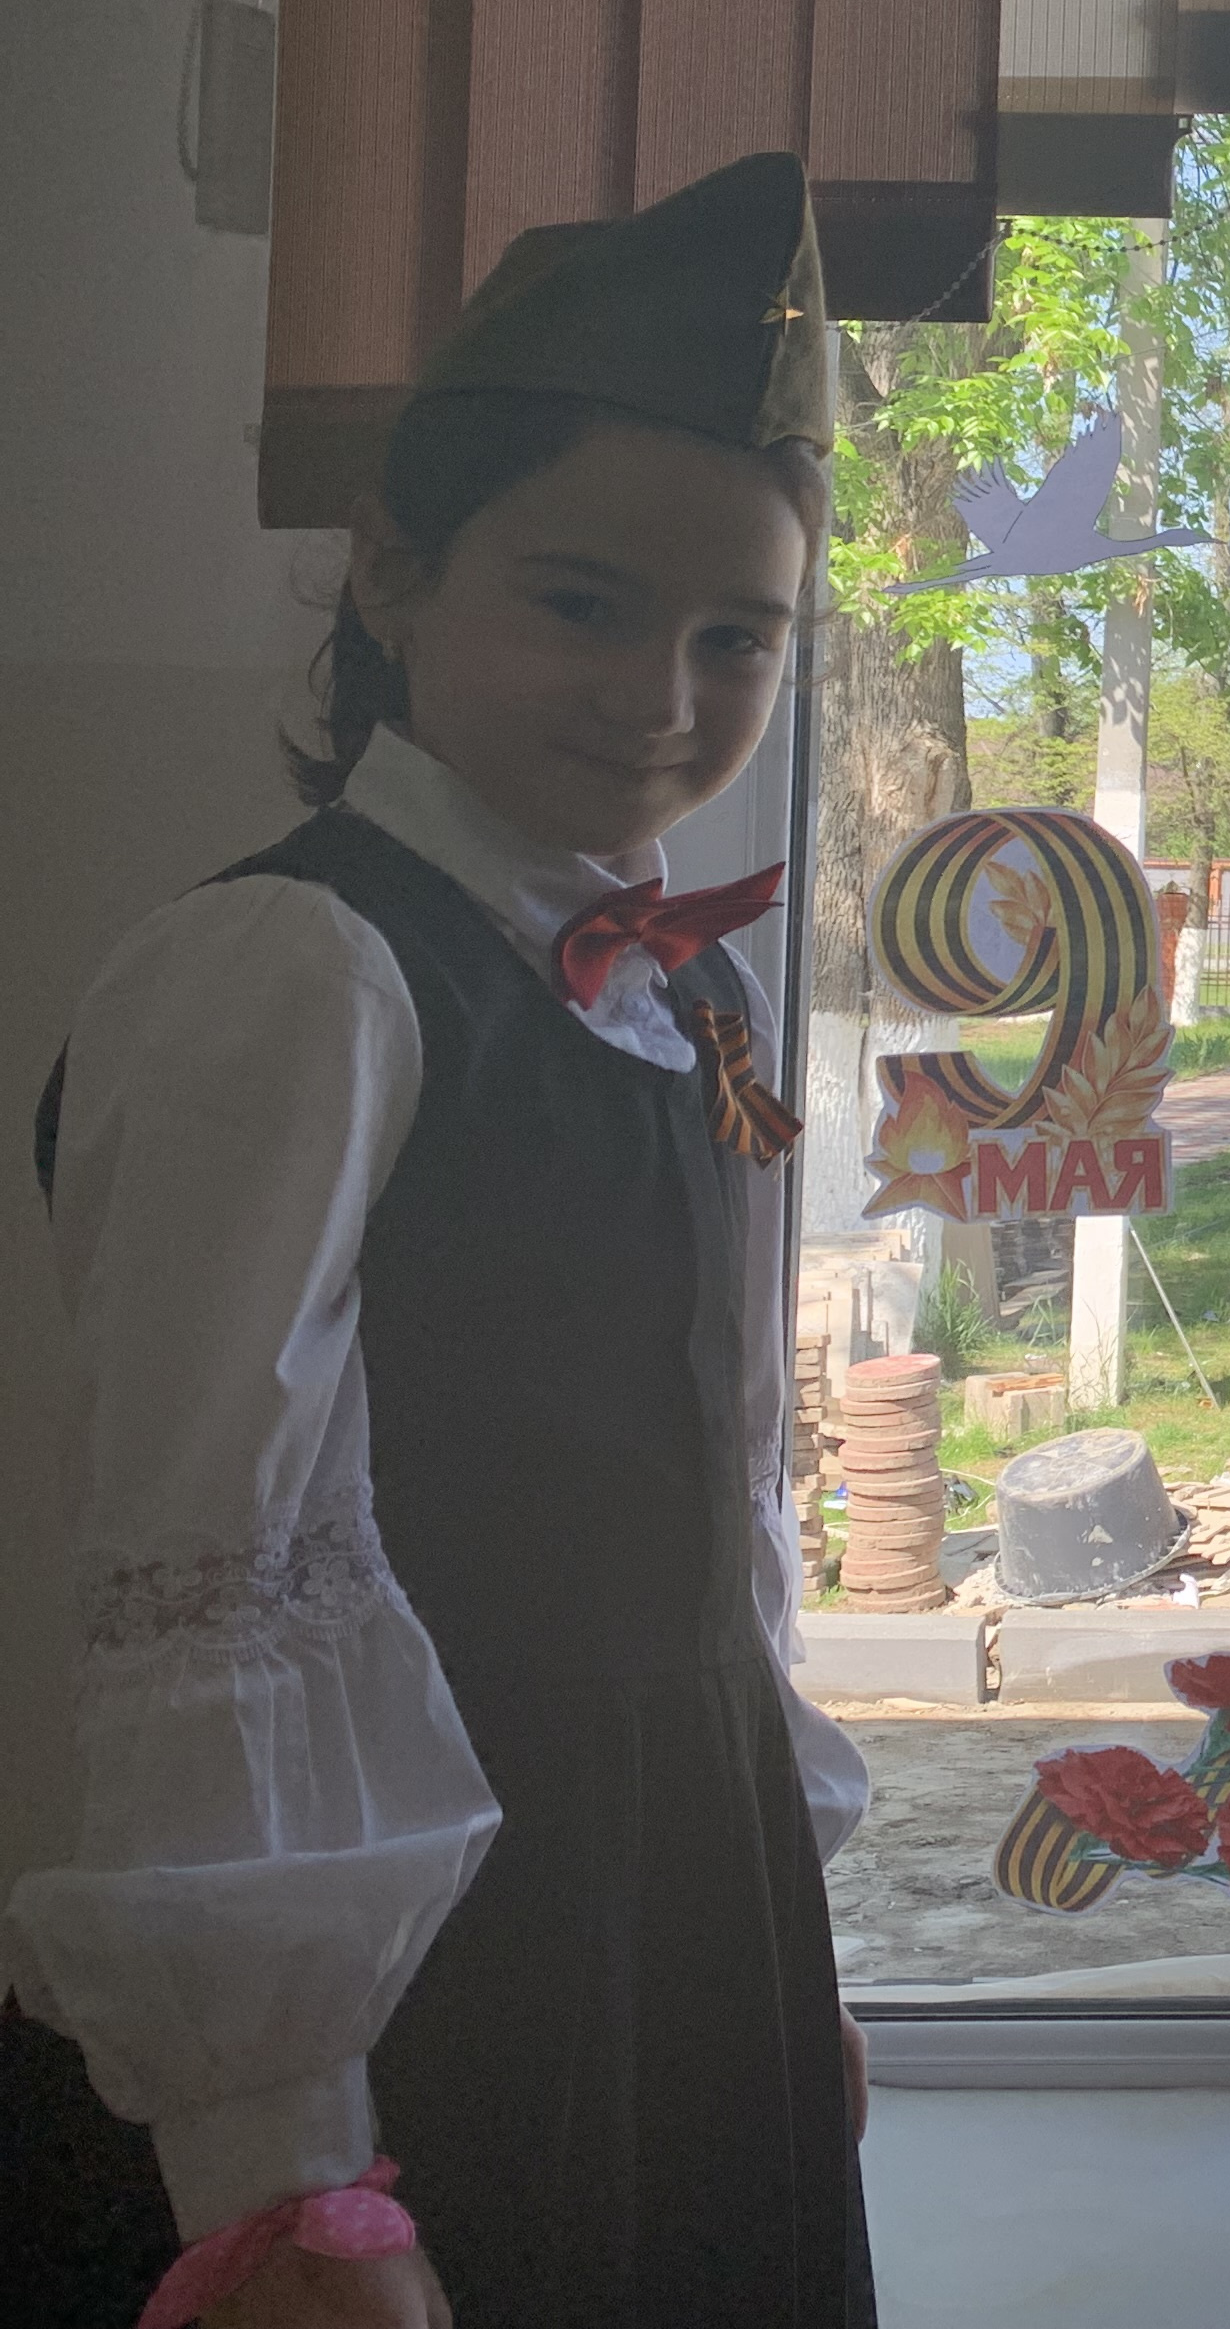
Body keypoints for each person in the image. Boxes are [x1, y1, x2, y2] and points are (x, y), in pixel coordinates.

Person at [6, 153, 877, 2327]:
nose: (662, 697)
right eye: (580, 603)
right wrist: (281, 2173)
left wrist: (785, 1955)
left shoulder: (694, 988)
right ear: (393, 568)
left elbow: (723, 1497)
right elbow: (203, 1562)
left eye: (737, 639)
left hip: (682, 1883)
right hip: (436, 1934)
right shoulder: (299, 973)